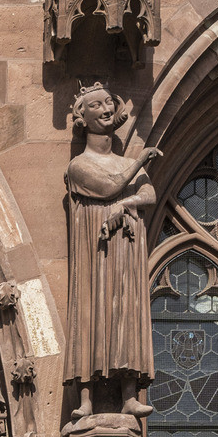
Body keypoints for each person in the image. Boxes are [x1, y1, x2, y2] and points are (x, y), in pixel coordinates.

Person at [65, 81, 158, 417]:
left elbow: (149, 195)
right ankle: (86, 400)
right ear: (81, 117)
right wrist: (138, 163)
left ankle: (130, 396)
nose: (105, 109)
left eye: (109, 103)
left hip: (125, 250)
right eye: (96, 105)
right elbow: (107, 188)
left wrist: (127, 204)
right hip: (97, 251)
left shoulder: (123, 161)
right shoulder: (79, 165)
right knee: (91, 314)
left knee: (124, 313)